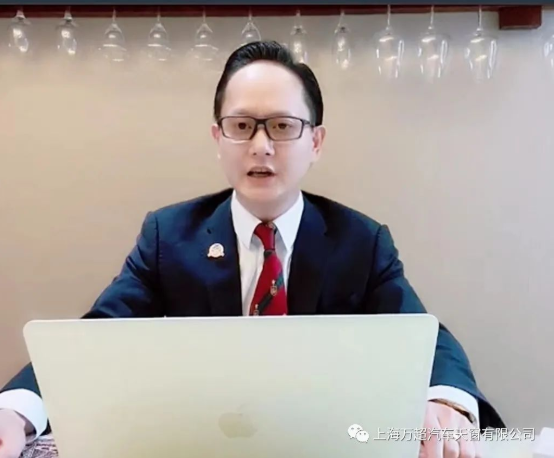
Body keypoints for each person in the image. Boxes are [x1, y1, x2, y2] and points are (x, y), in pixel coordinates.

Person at [0, 40, 503, 458]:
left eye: (282, 126)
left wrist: (447, 402)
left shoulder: (361, 242)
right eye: (242, 126)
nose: (261, 145)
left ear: (316, 142)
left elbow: (424, 336)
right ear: (218, 138)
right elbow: (95, 339)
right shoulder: (167, 237)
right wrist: (16, 410)